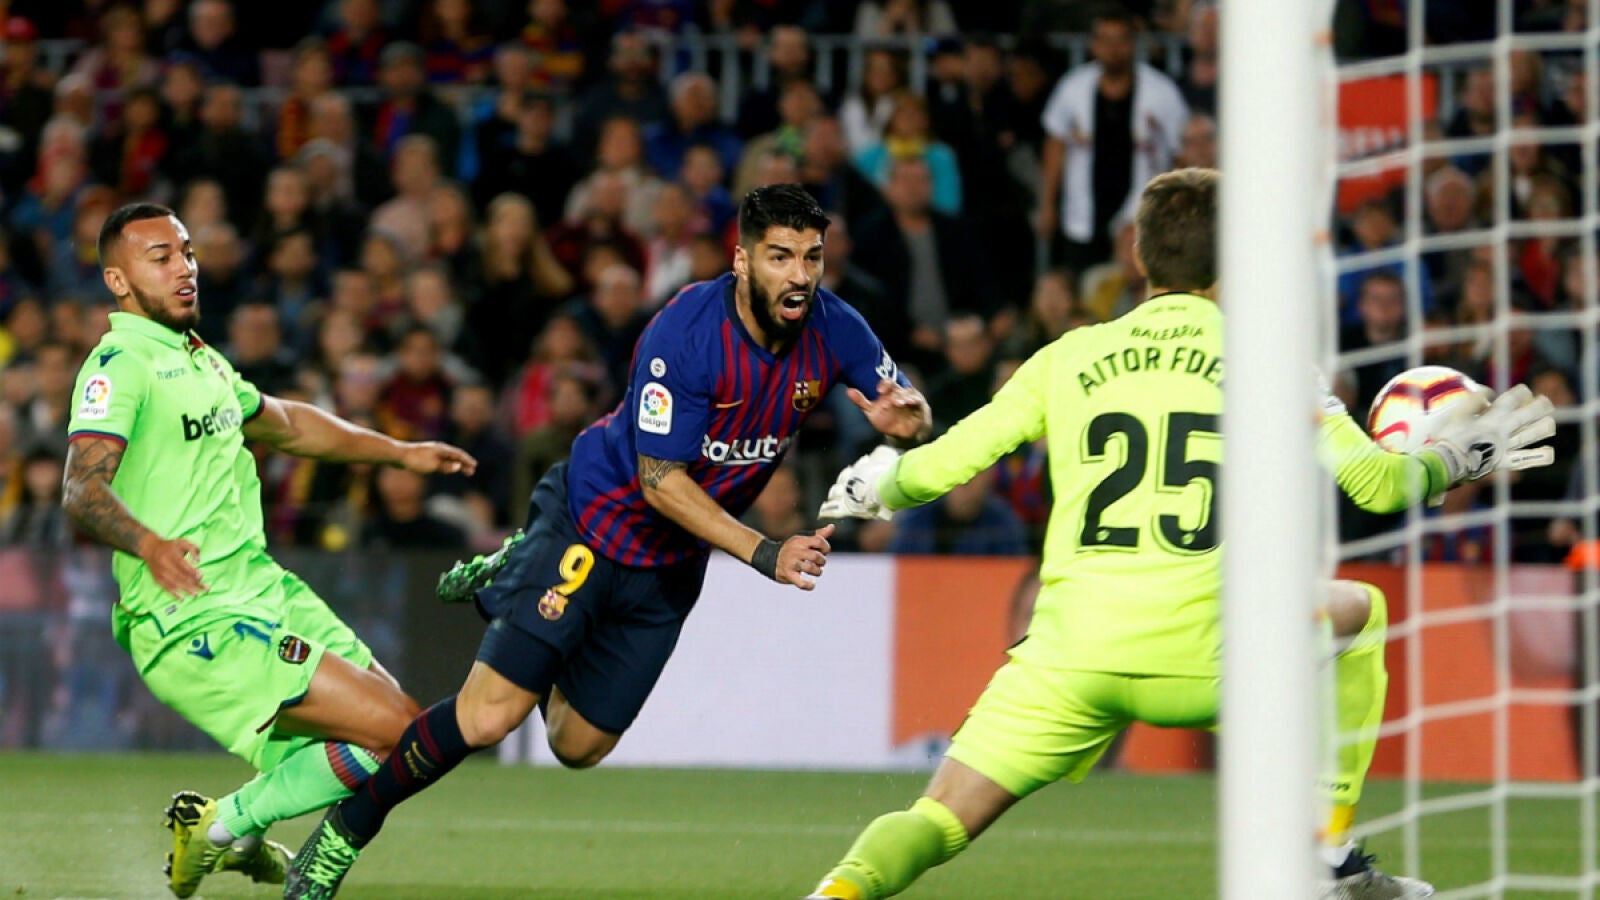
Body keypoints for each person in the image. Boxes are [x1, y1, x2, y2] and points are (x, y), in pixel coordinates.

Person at [802, 168, 1557, 900]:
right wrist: (1459, 458)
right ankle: (1327, 857)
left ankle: (835, 893)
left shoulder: (1068, 356)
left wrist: (877, 485)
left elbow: (948, 463)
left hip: (1071, 657)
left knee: (938, 817)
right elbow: (1378, 486)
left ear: (1139, 255)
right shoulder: (1269, 362)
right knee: (1361, 610)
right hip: (1213, 656)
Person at [283, 184, 933, 897]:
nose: (800, 275)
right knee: (490, 716)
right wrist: (764, 551)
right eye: (781, 256)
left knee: (578, 745)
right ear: (743, 260)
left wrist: (910, 420)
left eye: (812, 257)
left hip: (670, 564)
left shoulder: (835, 327)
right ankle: (345, 832)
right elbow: (660, 481)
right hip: (592, 523)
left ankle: (520, 586)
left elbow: (908, 406)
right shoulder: (686, 332)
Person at [62, 203, 478, 898]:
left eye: (187, 252)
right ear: (118, 280)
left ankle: (234, 834)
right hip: (193, 615)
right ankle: (226, 827)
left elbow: (286, 423)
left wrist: (399, 452)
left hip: (263, 590)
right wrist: (148, 543)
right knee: (394, 729)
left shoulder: (200, 358)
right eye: (160, 258)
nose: (184, 268)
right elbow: (81, 487)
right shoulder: (121, 364)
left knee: (396, 739)